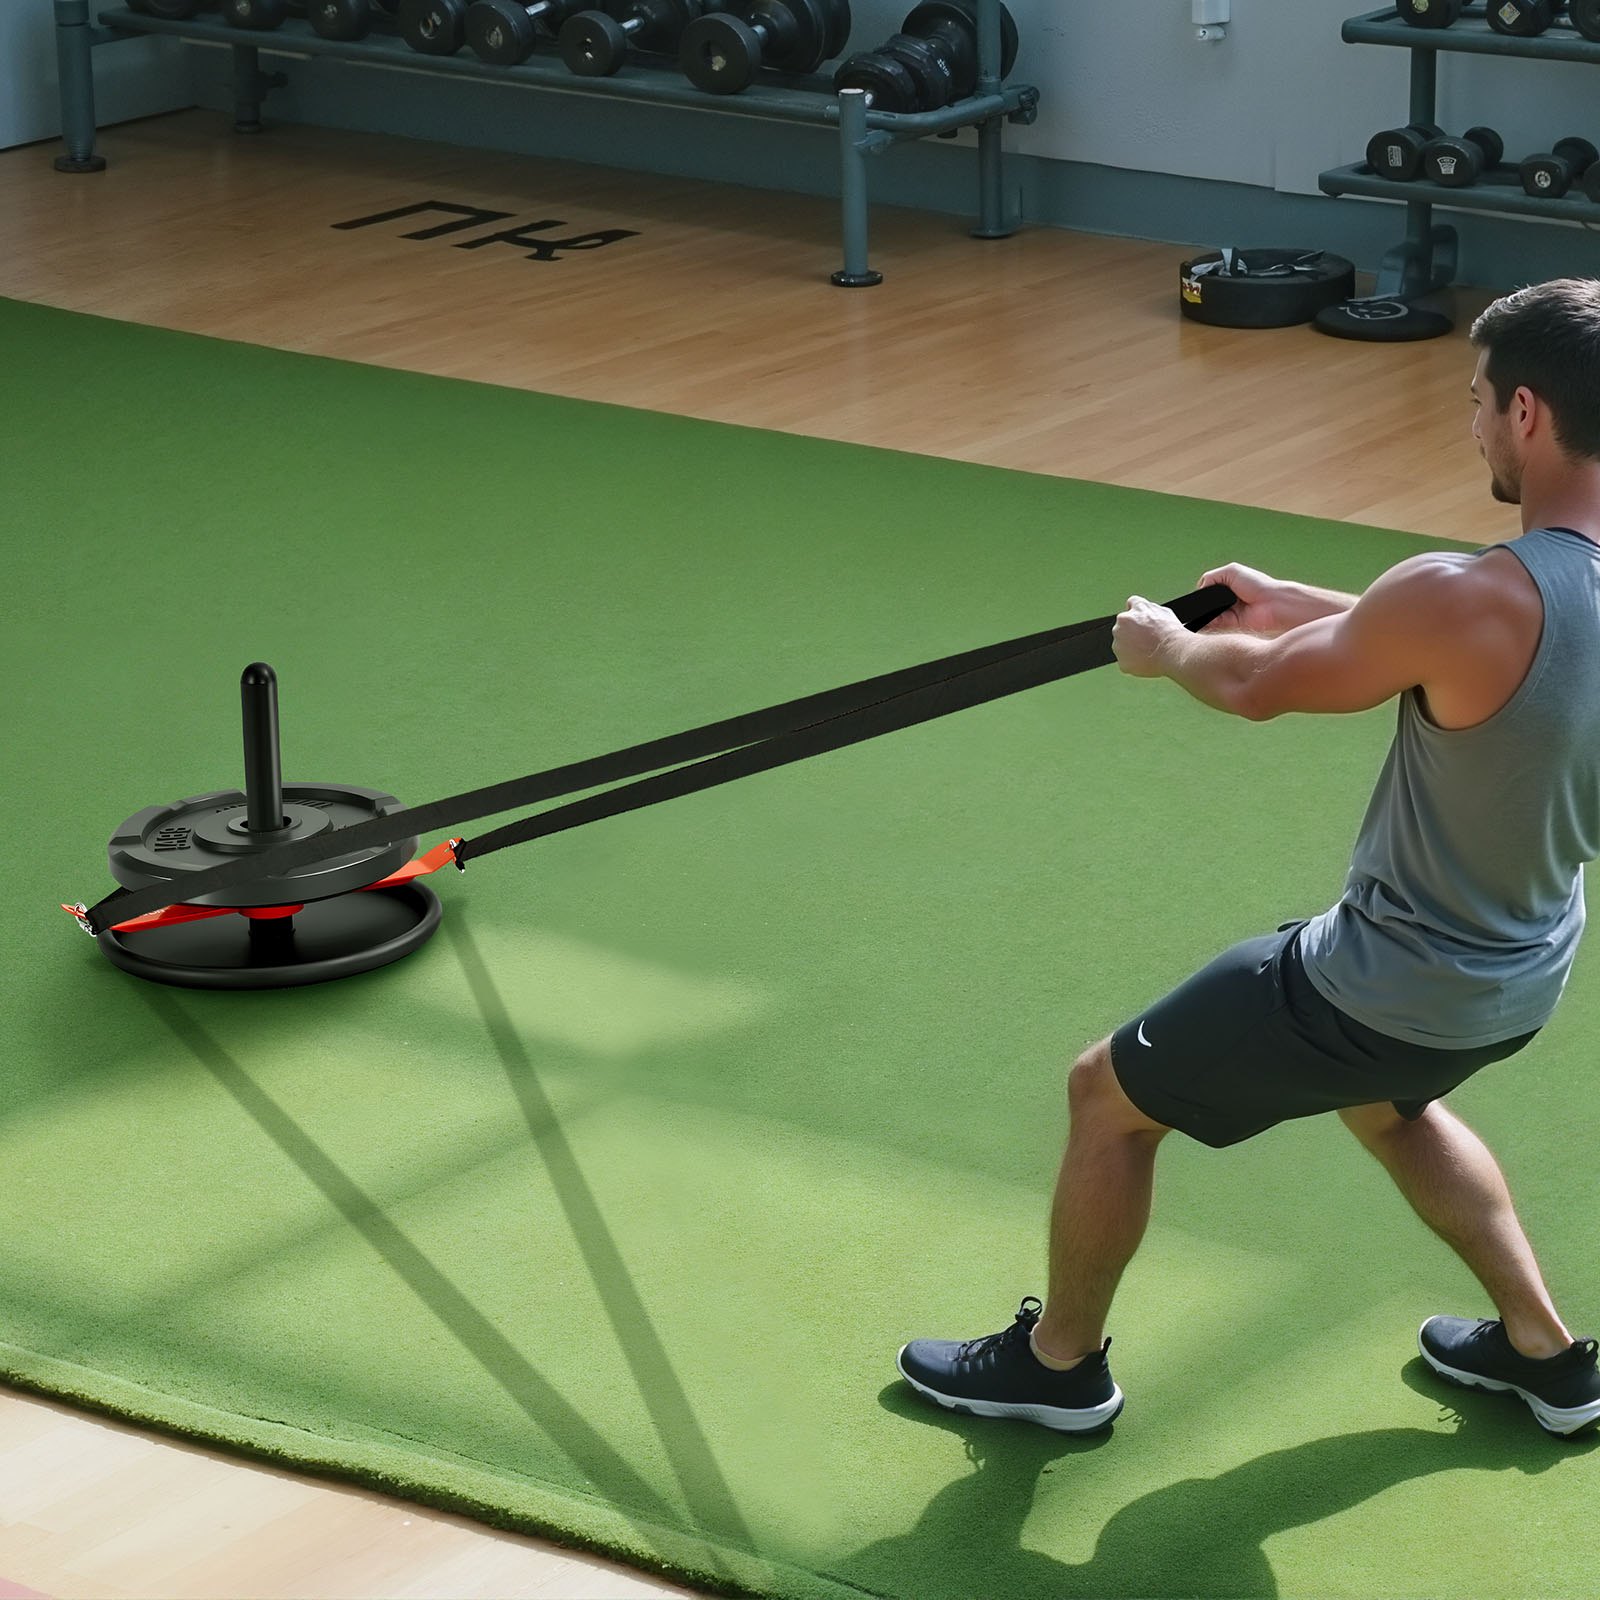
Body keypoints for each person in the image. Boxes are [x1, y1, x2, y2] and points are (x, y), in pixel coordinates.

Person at [897, 277, 1600, 1439]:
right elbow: (1441, 638)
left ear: (1526, 413)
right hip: (1519, 979)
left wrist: (1167, 651)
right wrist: (1284, 598)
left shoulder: (1462, 592)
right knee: (1387, 1109)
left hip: (1383, 983)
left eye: (1476, 402)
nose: (1470, 425)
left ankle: (1056, 1369)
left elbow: (1263, 690)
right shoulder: (1499, 599)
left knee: (1104, 1096)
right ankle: (1548, 1354)